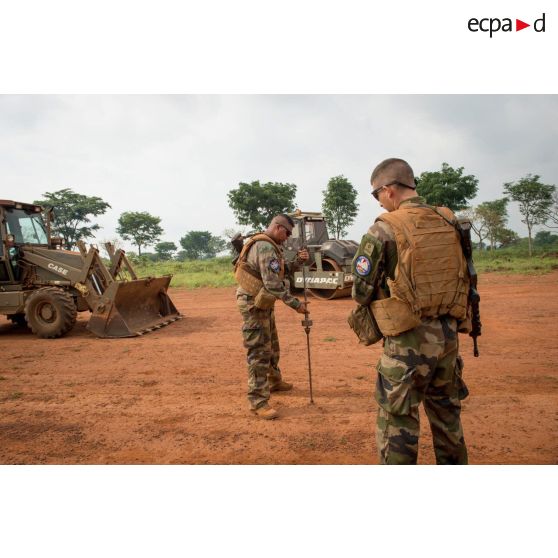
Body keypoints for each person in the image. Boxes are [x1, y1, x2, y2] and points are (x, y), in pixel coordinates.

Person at [351, 158, 470, 464]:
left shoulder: (385, 228)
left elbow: (360, 291)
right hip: (447, 337)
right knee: (447, 417)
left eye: (376, 194)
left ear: (388, 190)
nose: (378, 201)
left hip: (408, 341)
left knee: (397, 419)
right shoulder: (448, 220)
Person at [235, 214, 309, 420]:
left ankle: (274, 380)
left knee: (272, 345)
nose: (287, 237)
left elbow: (279, 272)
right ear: (277, 227)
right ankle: (258, 401)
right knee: (259, 351)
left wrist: (297, 261)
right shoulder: (265, 247)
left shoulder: (270, 246)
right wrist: (296, 304)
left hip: (263, 301)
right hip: (253, 305)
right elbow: (273, 284)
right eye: (286, 232)